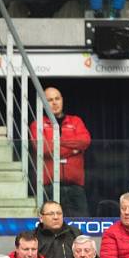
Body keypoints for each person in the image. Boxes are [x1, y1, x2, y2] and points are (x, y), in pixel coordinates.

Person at [29, 87, 91, 217]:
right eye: (50, 100)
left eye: (57, 98)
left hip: (75, 186)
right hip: (48, 187)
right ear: (43, 103)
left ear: (62, 100)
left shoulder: (76, 121)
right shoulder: (37, 125)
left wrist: (57, 143)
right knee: (51, 226)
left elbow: (85, 141)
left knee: (80, 227)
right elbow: (44, 149)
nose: (55, 103)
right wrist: (73, 150)